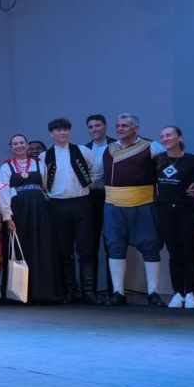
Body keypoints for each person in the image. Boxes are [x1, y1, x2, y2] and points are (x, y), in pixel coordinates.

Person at [103, 113, 166, 306]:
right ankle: (118, 293)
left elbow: (168, 172)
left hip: (143, 205)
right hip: (113, 207)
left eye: (124, 126)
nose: (119, 129)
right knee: (115, 246)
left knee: (150, 246)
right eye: (117, 126)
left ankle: (153, 293)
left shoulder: (153, 147)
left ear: (135, 128)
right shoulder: (109, 149)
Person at [0, 134, 62, 303]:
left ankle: (43, 293)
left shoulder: (39, 164)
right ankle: (20, 294)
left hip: (40, 213)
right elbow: (2, 193)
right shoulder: (6, 168)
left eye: (21, 143)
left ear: (27, 145)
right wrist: (8, 217)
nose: (19, 146)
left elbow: (45, 188)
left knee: (42, 248)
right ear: (11, 147)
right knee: (21, 249)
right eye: (15, 143)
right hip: (19, 213)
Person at [43, 118, 97, 303]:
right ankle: (70, 291)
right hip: (57, 205)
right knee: (64, 251)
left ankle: (88, 291)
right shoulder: (44, 156)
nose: (62, 133)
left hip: (82, 203)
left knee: (86, 249)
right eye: (58, 130)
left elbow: (97, 170)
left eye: (65, 129)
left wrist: (88, 183)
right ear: (51, 134)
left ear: (69, 132)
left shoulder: (83, 151)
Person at [155, 125, 194, 308]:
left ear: (180, 138)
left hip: (187, 212)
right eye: (162, 136)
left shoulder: (193, 160)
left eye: (169, 135)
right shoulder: (158, 160)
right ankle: (177, 293)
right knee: (174, 253)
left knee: (189, 252)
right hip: (165, 213)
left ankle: (191, 293)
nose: (165, 139)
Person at [85, 114, 116, 295]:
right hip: (89, 200)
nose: (94, 129)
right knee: (91, 245)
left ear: (105, 126)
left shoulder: (116, 146)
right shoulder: (83, 149)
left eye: (97, 125)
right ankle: (92, 292)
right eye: (91, 127)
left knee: (112, 244)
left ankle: (114, 290)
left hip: (112, 198)